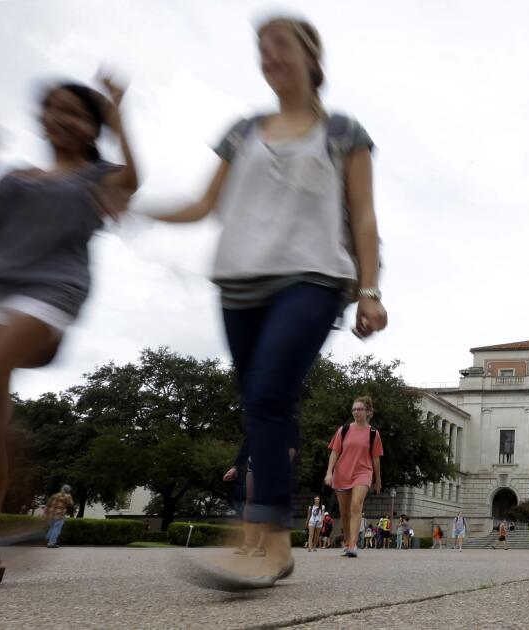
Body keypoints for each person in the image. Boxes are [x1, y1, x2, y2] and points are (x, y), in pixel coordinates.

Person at [149, 15, 385, 590]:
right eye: (261, 48)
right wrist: (134, 203)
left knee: (272, 391)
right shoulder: (243, 130)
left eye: (280, 45)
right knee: (259, 405)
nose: (269, 56)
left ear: (311, 56)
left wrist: (370, 290)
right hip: (239, 282)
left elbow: (364, 216)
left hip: (313, 277)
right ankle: (264, 538)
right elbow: (204, 204)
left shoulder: (343, 132)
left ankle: (268, 542)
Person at [0, 75, 138, 589]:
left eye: (73, 110)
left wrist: (119, 115)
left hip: (49, 291)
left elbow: (133, 179)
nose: (59, 117)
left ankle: (21, 486)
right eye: (51, 108)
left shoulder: (97, 175)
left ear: (93, 125)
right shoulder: (17, 176)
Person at [326, 397, 384, 558]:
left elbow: (376, 459)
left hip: (363, 473)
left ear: (368, 412)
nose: (356, 412)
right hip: (342, 473)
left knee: (356, 506)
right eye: (354, 409)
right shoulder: (343, 430)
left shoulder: (373, 434)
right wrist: (329, 473)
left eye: (360, 409)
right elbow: (335, 452)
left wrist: (377, 480)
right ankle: (347, 541)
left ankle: (353, 544)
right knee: (344, 512)